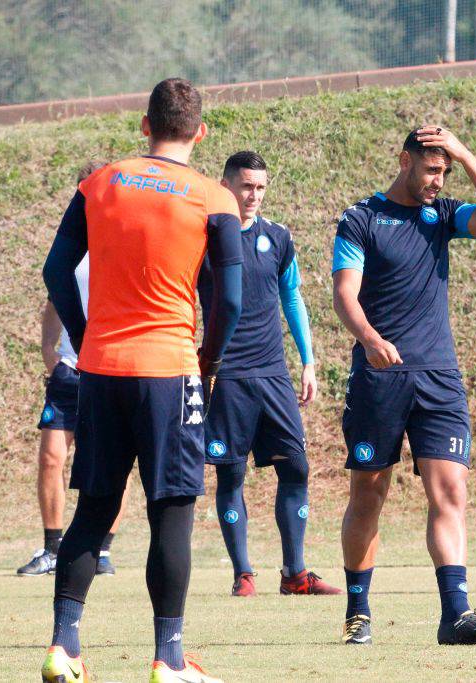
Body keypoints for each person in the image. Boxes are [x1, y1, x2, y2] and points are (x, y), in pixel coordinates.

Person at [40, 78, 243, 683]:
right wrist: (207, 357)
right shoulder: (214, 198)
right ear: (200, 131)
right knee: (171, 513)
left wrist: (87, 334)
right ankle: (168, 658)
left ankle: (63, 647)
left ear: (144, 125)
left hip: (100, 369)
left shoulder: (100, 182)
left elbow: (56, 270)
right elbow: (229, 298)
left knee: (94, 510)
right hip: (169, 370)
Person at [333, 126, 476, 646]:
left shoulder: (444, 217)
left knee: (451, 490)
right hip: (380, 378)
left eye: (445, 171)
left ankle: (455, 615)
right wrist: (368, 337)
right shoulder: (361, 219)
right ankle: (358, 610)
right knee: (370, 495)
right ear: (404, 160)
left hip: (439, 377)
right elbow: (344, 293)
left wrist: (465, 151)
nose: (438, 180)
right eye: (431, 169)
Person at [198, 150, 340, 597]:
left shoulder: (277, 237)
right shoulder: (202, 239)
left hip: (273, 374)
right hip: (227, 375)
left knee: (296, 468)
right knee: (231, 474)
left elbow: (292, 297)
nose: (254, 195)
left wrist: (309, 361)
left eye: (260, 187)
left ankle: (295, 573)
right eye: (246, 186)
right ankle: (243, 573)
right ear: (226, 186)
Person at [18, 161, 129, 578]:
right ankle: (52, 548)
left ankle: (102, 550)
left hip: (111, 367)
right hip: (70, 369)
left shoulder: (122, 236)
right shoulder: (74, 241)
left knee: (112, 462)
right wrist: (50, 351)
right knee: (51, 457)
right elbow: (55, 296)